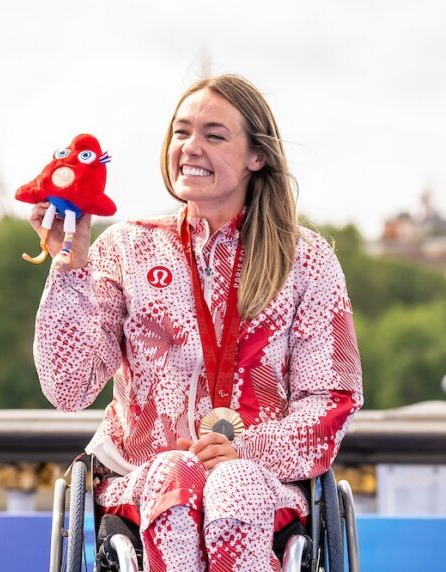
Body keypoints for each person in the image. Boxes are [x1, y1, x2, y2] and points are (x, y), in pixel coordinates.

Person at [30, 74, 363, 572]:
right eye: (182, 132)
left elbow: (332, 398)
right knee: (176, 473)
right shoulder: (125, 249)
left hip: (264, 486)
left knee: (233, 485)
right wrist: (70, 267)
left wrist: (244, 451)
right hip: (142, 481)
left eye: (214, 134)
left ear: (258, 156)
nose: (190, 147)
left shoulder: (305, 260)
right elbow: (68, 389)